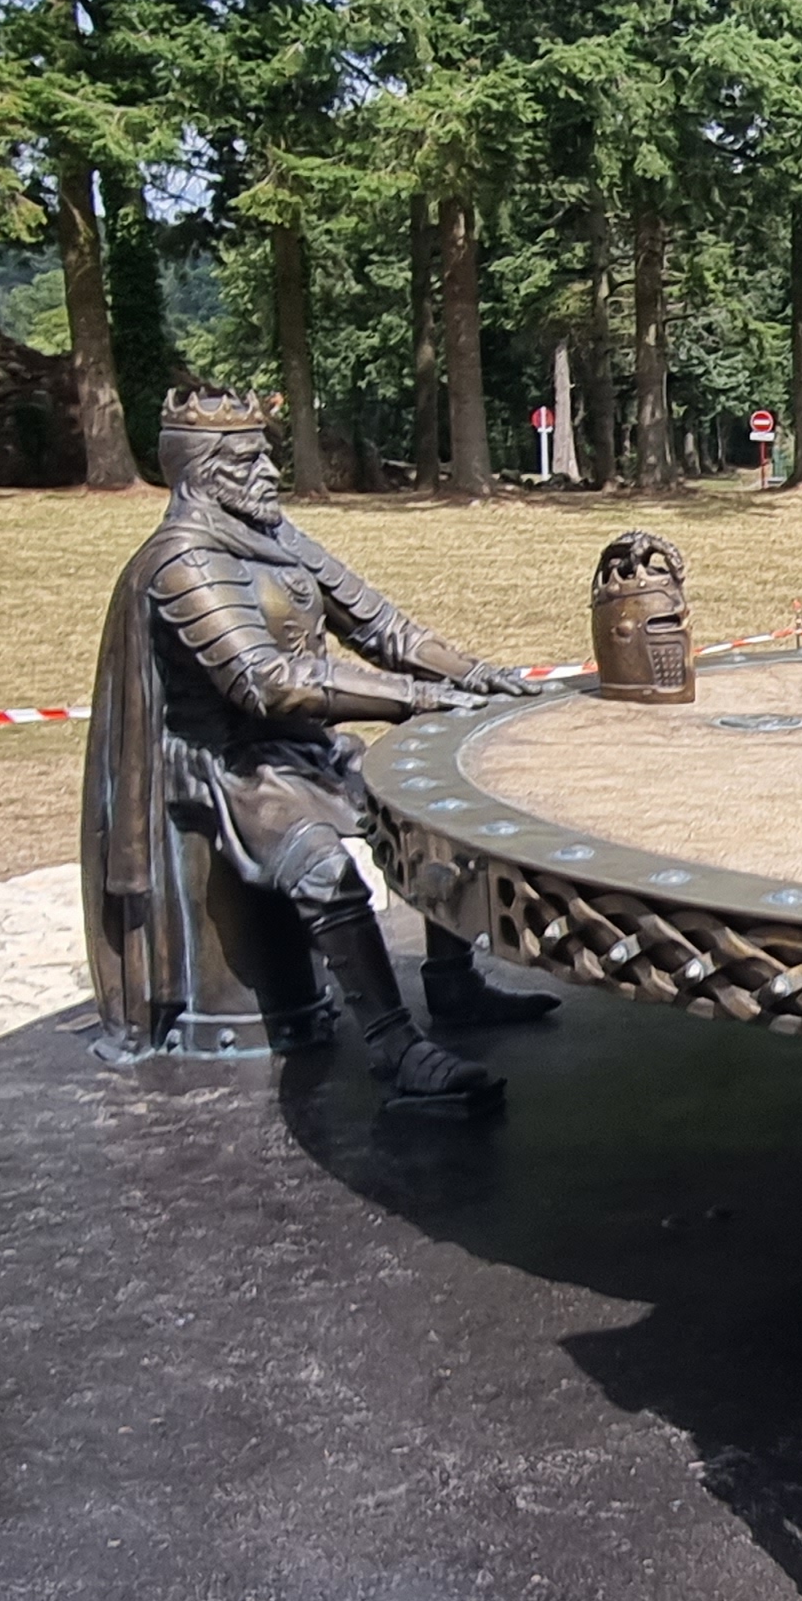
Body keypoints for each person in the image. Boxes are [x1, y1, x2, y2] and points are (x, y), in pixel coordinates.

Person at [81, 391, 556, 1108]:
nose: (271, 471)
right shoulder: (183, 561)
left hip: (303, 746)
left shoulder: (274, 536)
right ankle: (394, 1044)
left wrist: (473, 675)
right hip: (227, 767)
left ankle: (453, 985)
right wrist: (418, 698)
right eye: (250, 460)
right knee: (323, 864)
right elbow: (264, 683)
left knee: (434, 809)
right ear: (204, 473)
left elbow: (383, 628)